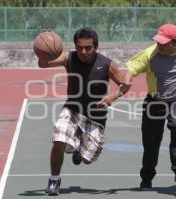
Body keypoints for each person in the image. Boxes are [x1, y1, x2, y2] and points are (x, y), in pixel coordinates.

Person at [38, 27, 130, 195]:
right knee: (59, 139)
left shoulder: (106, 64)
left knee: (88, 160)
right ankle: (54, 180)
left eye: (88, 48)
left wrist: (112, 97)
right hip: (72, 109)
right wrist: (43, 49)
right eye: (80, 47)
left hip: (96, 117)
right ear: (75, 46)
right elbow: (43, 64)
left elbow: (124, 85)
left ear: (96, 47)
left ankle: (78, 150)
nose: (83, 51)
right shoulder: (69, 57)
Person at [123, 23, 176, 189]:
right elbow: (131, 68)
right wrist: (127, 80)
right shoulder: (150, 53)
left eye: (164, 43)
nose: (159, 45)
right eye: (158, 41)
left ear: (175, 42)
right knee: (151, 142)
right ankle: (147, 177)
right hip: (155, 101)